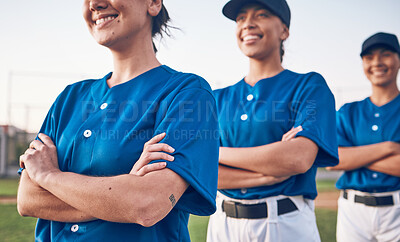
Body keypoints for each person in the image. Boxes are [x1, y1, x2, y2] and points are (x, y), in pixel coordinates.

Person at [17, 0, 219, 241]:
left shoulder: (187, 94)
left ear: (153, 3)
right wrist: (124, 193)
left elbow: (147, 205)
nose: (95, 4)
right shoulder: (69, 98)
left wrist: (49, 177)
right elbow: (27, 199)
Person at [206, 0, 339, 241]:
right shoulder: (216, 98)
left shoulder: (309, 86)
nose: (248, 24)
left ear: (284, 30)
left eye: (262, 14)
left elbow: (297, 158)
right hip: (222, 225)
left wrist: (214, 152)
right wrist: (266, 173)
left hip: (285, 222)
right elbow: (201, 170)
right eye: (241, 18)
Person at [328, 32, 400, 242]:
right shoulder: (348, 111)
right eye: (369, 57)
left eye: (385, 54)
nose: (377, 62)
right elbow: (334, 159)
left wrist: (355, 158)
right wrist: (389, 148)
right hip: (353, 211)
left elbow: (343, 159)